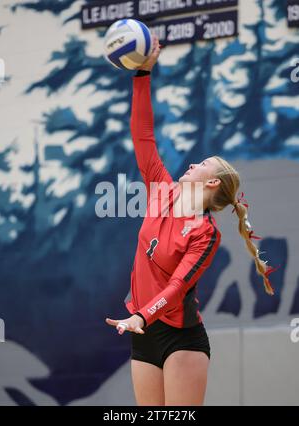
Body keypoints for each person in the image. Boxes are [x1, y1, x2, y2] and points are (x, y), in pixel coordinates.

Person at [106, 36, 278, 406]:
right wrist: (142, 75)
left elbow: (176, 288)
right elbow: (143, 135)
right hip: (143, 331)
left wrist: (141, 315)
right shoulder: (160, 191)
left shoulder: (204, 235)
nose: (191, 164)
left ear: (211, 182)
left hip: (179, 337)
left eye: (201, 165)